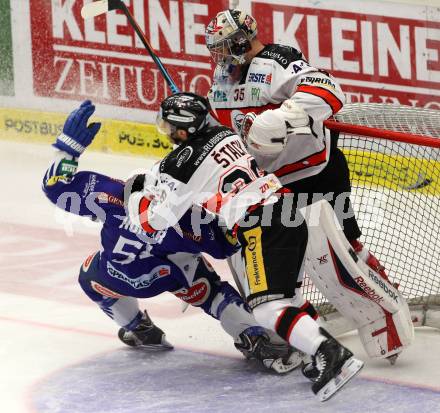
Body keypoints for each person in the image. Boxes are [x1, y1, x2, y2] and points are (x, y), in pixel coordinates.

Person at [126, 92, 363, 400]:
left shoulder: (179, 164)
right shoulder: (226, 133)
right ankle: (315, 354)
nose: (168, 134)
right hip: (289, 213)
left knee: (267, 310)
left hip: (261, 225)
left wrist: (137, 193)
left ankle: (330, 353)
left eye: (170, 128)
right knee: (288, 298)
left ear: (183, 130)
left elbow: (153, 221)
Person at [42, 100, 300, 373]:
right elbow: (225, 246)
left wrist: (67, 149)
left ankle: (138, 328)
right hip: (172, 276)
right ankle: (254, 338)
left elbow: (55, 188)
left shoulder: (110, 197)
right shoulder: (181, 216)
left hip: (119, 274)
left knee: (88, 274)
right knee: (211, 290)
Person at [205, 9, 389, 281]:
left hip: (315, 175)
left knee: (344, 246)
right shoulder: (223, 76)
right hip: (269, 185)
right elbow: (220, 123)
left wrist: (280, 118)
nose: (219, 57)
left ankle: (381, 290)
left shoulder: (276, 60)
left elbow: (328, 90)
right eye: (215, 50)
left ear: (241, 41)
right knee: (284, 258)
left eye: (223, 47)